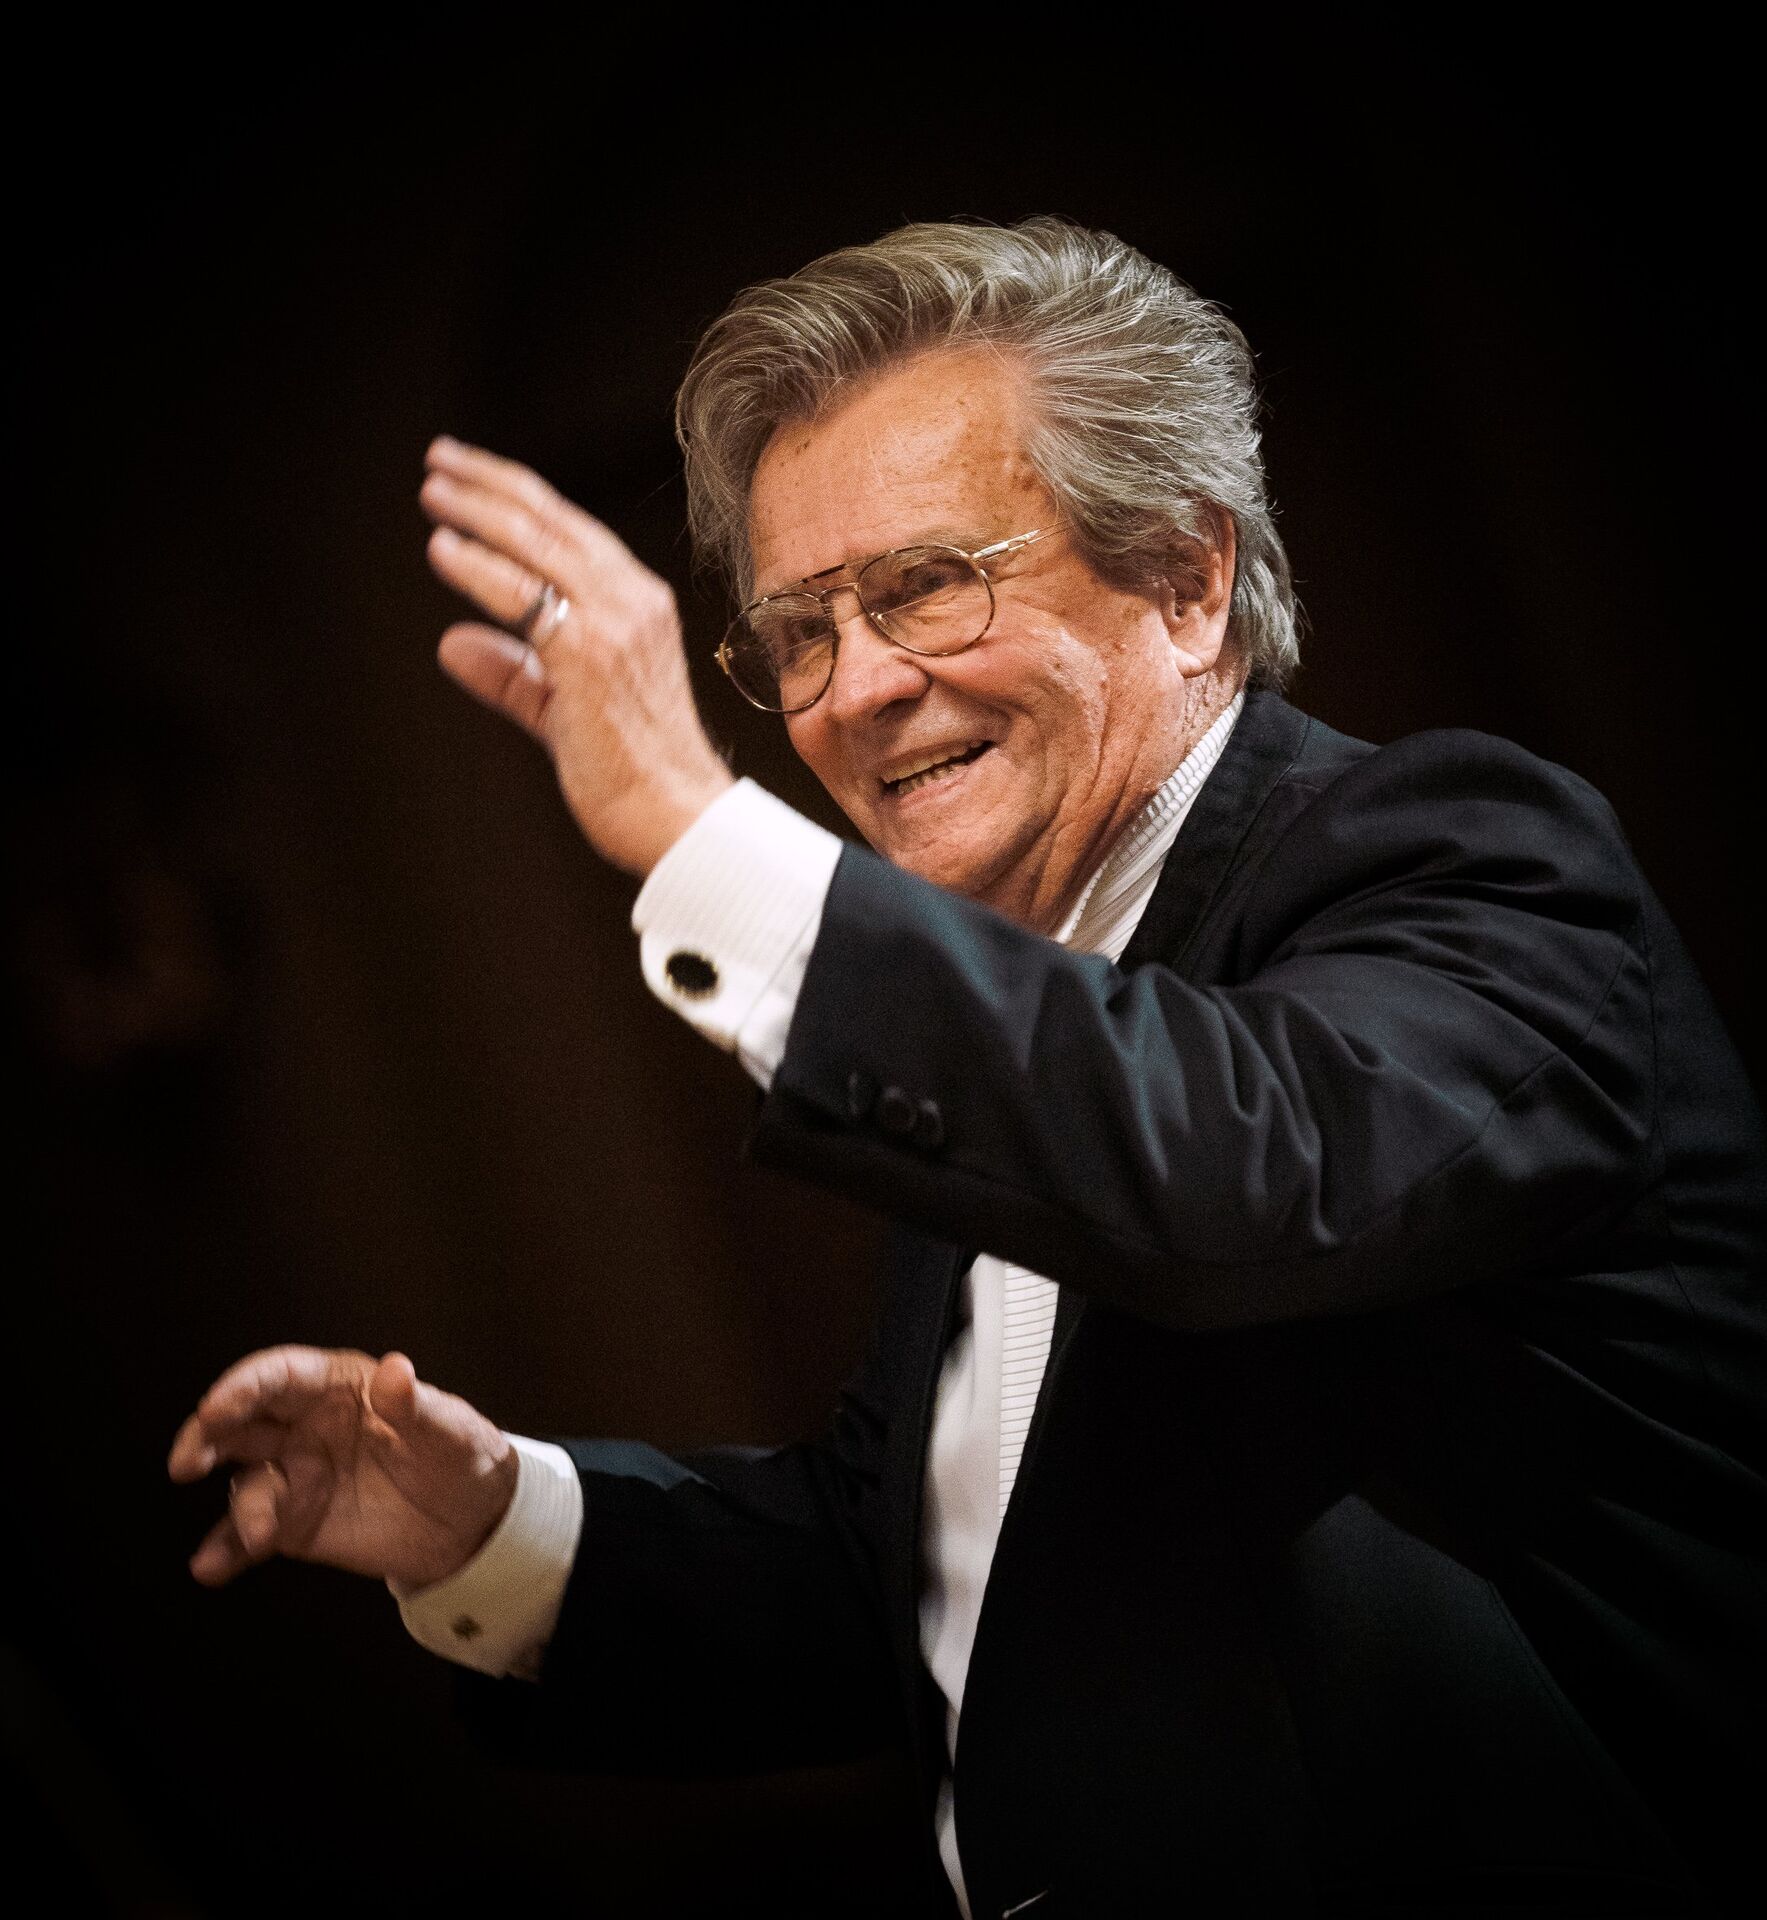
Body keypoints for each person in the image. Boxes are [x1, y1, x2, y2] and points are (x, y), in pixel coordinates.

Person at [169, 219, 1765, 1916]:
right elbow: (927, 1584)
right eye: (796, 634)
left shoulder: (1468, 855)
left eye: (925, 585)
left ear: (1187, 577)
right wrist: (493, 1524)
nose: (854, 688)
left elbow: (1251, 1170)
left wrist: (699, 830)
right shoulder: (1016, 1025)